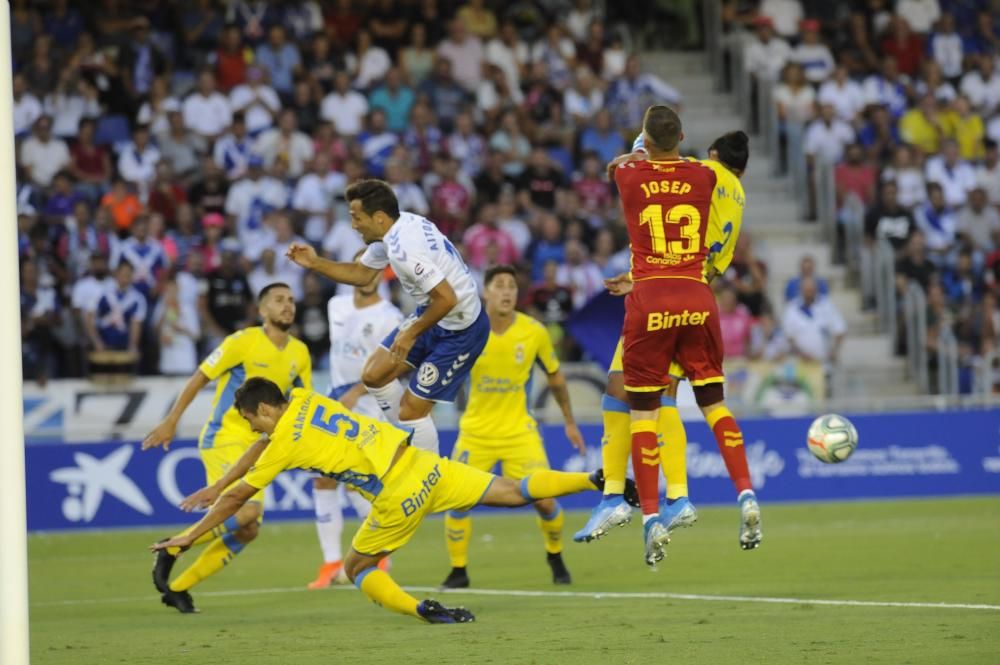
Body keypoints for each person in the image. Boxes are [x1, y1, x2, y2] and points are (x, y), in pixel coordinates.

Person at [153, 378, 630, 623]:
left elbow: (242, 493)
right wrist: (217, 486)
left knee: (359, 567)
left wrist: (191, 535)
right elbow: (258, 450)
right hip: (423, 465)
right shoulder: (303, 397)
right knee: (510, 490)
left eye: (251, 421)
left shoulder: (284, 443)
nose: (254, 432)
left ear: (261, 411)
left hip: (395, 496)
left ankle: (421, 609)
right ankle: (593, 480)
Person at [576, 122, 760, 564]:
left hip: (660, 295)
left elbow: (653, 164)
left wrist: (634, 152)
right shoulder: (734, 191)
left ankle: (647, 499)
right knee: (642, 391)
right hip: (696, 292)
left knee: (635, 396)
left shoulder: (702, 170)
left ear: (712, 154)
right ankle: (657, 497)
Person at [286, 179, 489, 458]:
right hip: (432, 312)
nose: (354, 225)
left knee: (411, 411)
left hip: (461, 329)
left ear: (379, 218)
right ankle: (407, 442)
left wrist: (410, 333)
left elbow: (448, 298)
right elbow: (361, 274)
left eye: (357, 218)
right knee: (373, 375)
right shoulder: (395, 228)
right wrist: (315, 263)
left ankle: (429, 476)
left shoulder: (404, 249)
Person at [141, 283, 312, 613]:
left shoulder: (300, 353)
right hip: (225, 437)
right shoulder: (242, 342)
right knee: (248, 510)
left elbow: (303, 403)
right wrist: (171, 420)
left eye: (291, 300)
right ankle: (174, 547)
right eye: (279, 300)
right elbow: (200, 377)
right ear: (262, 310)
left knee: (248, 529)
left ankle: (178, 587)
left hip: (261, 446)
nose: (288, 305)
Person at [439, 265, 586, 590]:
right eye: (500, 285)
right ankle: (458, 570)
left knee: (545, 500)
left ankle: (555, 554)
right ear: (486, 292)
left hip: (519, 431)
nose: (507, 292)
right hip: (475, 432)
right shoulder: (469, 330)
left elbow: (556, 378)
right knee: (457, 500)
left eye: (512, 286)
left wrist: (570, 422)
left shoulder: (534, 331)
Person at [307, 252, 403, 590]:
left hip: (370, 407)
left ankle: (378, 552)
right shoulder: (336, 306)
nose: (369, 273)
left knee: (358, 482)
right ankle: (331, 563)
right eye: (362, 266)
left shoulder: (390, 316)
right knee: (323, 481)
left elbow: (396, 365)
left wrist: (359, 391)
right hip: (335, 406)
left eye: (376, 268)